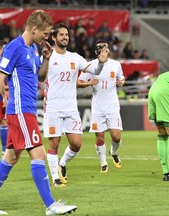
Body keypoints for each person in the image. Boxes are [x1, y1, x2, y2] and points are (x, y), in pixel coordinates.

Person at [0, 10, 77, 215]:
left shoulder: (33, 50)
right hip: (20, 110)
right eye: (45, 33)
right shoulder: (14, 47)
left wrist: (47, 59)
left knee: (10, 158)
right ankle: (50, 205)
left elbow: (39, 76)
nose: (46, 38)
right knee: (38, 153)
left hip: (27, 109)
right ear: (34, 29)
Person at [43, 23, 109, 187]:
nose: (65, 37)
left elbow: (95, 70)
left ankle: (62, 163)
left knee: (77, 143)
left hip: (71, 107)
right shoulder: (48, 57)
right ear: (54, 37)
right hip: (53, 106)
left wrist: (100, 62)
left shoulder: (75, 57)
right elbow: (39, 75)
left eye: (66, 35)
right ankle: (55, 178)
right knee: (54, 143)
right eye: (61, 35)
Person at [78, 41, 125, 173]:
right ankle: (103, 163)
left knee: (116, 137)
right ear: (96, 52)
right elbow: (79, 81)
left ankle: (113, 152)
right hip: (98, 107)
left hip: (112, 106)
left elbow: (122, 78)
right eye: (100, 50)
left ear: (108, 51)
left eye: (105, 49)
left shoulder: (116, 65)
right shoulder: (91, 65)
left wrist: (121, 82)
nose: (103, 51)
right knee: (99, 136)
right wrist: (88, 83)